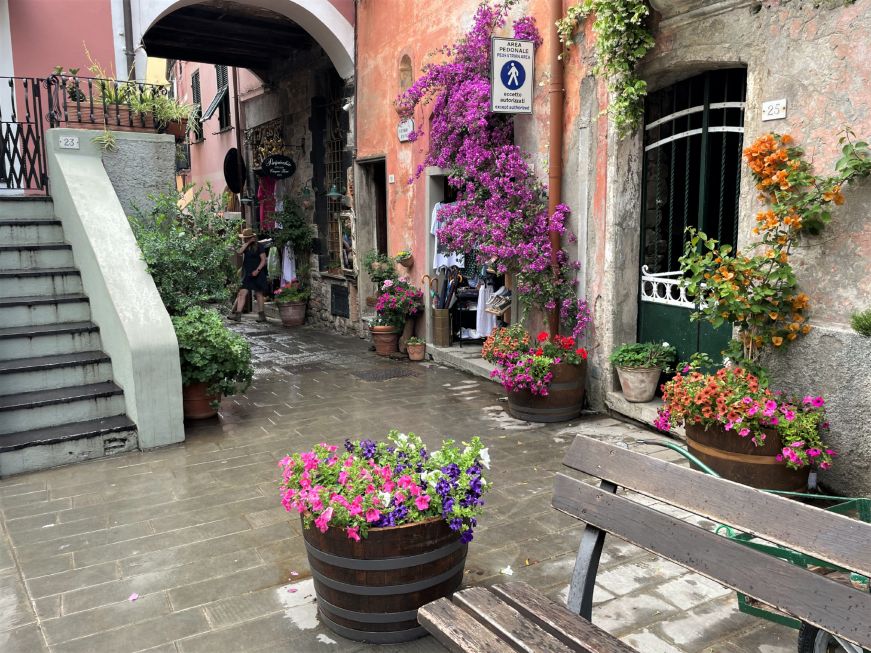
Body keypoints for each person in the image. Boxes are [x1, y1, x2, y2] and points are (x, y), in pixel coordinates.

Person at [229, 228, 268, 322]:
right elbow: (239, 252)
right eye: (245, 238)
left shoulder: (259, 246)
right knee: (242, 293)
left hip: (258, 272)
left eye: (246, 238)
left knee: (258, 294)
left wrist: (257, 270)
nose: (244, 239)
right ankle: (238, 315)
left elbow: (264, 260)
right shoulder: (245, 246)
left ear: (252, 237)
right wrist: (247, 243)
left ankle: (262, 316)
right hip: (248, 273)